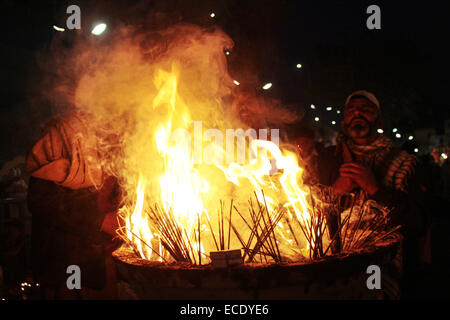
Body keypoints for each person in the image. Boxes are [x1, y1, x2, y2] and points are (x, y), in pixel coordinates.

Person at [316, 90, 430, 298]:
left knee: (371, 293)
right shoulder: (327, 158)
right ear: (344, 120)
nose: (357, 114)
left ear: (379, 120)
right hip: (332, 257)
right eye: (351, 111)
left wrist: (374, 188)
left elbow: (416, 222)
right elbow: (305, 209)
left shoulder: (404, 163)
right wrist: (337, 189)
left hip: (379, 261)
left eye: (365, 110)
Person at [26, 113, 121, 299]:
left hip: (102, 258)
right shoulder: (61, 140)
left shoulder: (114, 141)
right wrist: (100, 220)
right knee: (72, 292)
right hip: (69, 260)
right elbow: (42, 203)